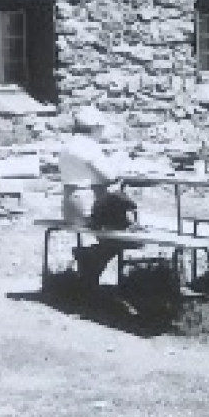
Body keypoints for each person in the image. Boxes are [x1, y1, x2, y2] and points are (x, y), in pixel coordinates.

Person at [59, 106, 141, 289]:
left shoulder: (68, 145)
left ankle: (89, 262)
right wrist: (120, 160)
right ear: (95, 128)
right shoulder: (88, 147)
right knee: (130, 236)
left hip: (71, 205)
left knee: (121, 230)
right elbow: (110, 176)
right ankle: (90, 260)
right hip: (88, 205)